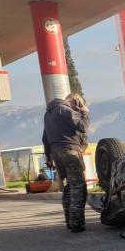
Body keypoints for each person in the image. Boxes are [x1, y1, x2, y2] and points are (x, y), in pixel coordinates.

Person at [42, 93, 90, 232]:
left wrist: (48, 156)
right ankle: (76, 223)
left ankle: (69, 220)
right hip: (70, 150)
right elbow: (83, 127)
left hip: (56, 152)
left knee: (68, 186)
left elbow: (45, 138)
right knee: (78, 186)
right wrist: (85, 112)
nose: (79, 108)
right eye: (79, 104)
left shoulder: (48, 114)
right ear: (75, 101)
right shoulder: (65, 109)